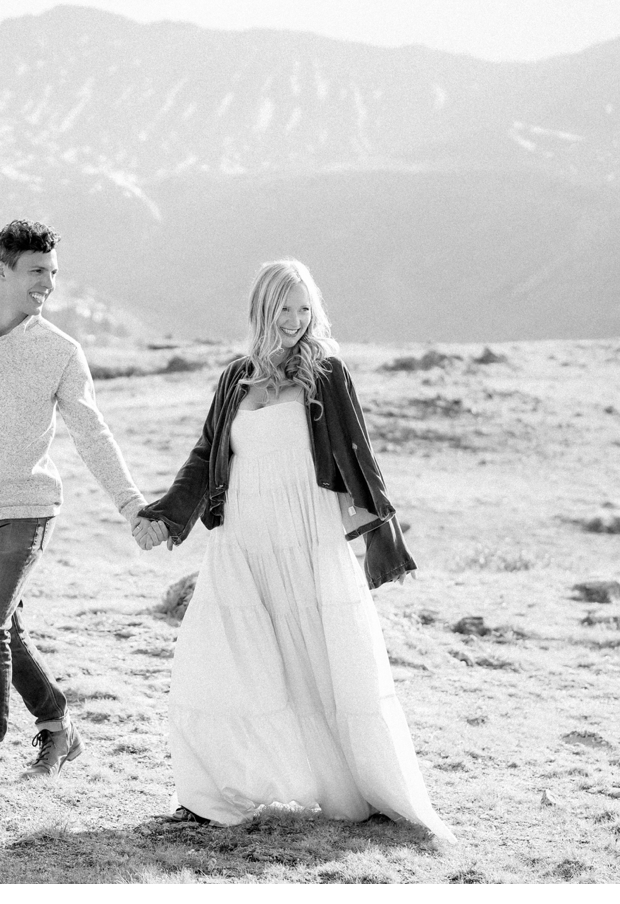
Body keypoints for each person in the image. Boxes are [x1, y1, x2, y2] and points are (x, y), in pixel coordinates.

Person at [136, 259, 455, 841]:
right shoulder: (236, 378)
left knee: (324, 666)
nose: (294, 320)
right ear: (262, 309)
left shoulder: (325, 374)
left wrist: (384, 537)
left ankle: (364, 788)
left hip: (307, 539)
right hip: (242, 540)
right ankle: (210, 797)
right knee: (218, 660)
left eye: (304, 308)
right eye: (284, 308)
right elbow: (208, 457)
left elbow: (360, 457)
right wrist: (165, 516)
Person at [0, 218, 167, 810]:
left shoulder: (60, 351)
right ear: (1, 272)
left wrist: (131, 506)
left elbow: (92, 433)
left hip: (27, 509)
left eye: (53, 272)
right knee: (4, 631)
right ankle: (58, 726)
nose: (49, 284)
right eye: (37, 272)